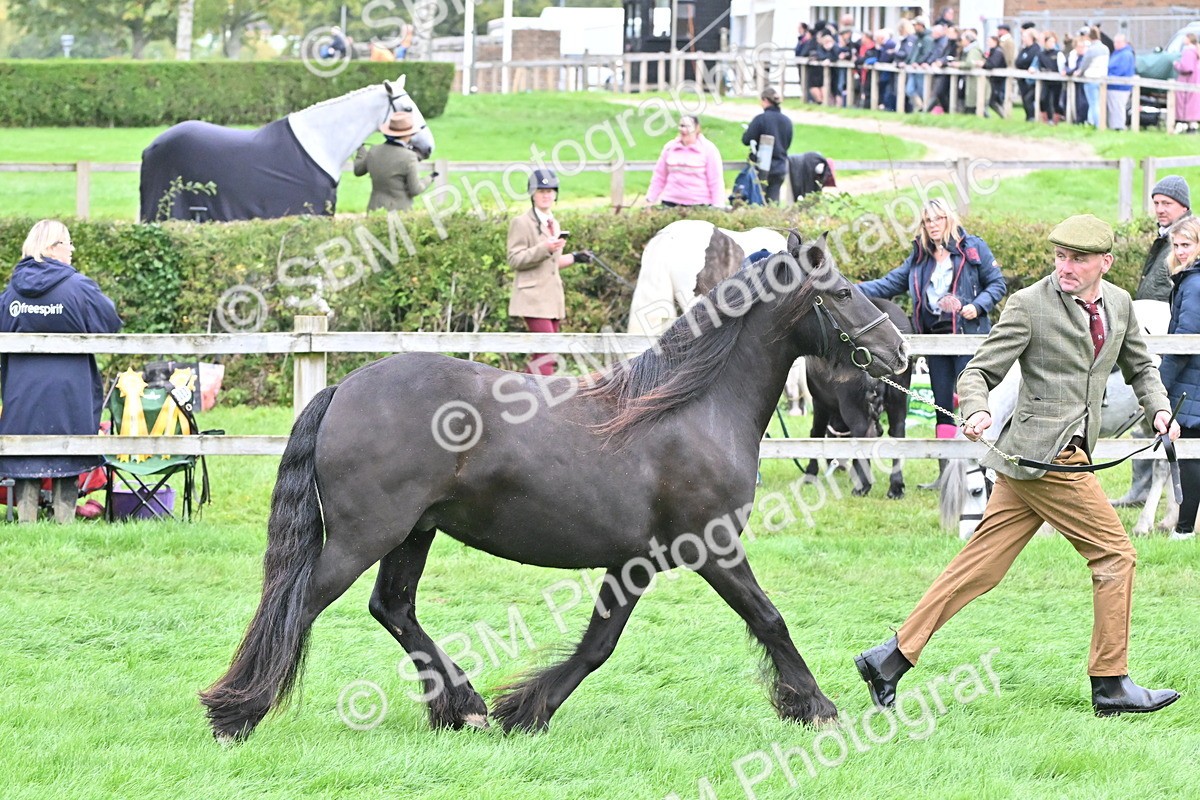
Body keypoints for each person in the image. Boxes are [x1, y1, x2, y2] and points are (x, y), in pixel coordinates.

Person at [856, 214, 1181, 718]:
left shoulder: (1118, 304)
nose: (1066, 266)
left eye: (1078, 258)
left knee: (979, 567)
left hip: (1041, 461)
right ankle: (1111, 683)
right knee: (1116, 556)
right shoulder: (1029, 305)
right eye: (1060, 256)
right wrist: (977, 408)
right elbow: (979, 371)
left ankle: (890, 658)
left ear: (1105, 263)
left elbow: (1141, 366)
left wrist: (1159, 407)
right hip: (1045, 457)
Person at [0, 220, 122, 523]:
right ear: (54, 247)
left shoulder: (12, 291)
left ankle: (27, 520)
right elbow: (110, 323)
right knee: (70, 447)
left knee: (24, 452)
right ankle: (63, 520)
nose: (72, 250)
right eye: (68, 243)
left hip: (21, 392)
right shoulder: (79, 287)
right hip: (71, 390)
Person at [858, 198, 1007, 446]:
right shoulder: (920, 256)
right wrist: (847, 289)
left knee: (970, 402)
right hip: (934, 340)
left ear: (949, 219)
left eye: (938, 219)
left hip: (967, 337)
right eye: (928, 220)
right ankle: (947, 470)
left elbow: (997, 284)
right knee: (942, 405)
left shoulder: (972, 248)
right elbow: (887, 284)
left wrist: (977, 306)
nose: (933, 225)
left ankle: (975, 472)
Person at [1114, 176, 1194, 507]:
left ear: (1184, 207)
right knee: (1144, 421)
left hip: (1167, 334)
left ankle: (1175, 501)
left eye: (1167, 203)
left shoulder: (1186, 239)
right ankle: (1141, 492)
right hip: (1151, 330)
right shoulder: (1164, 239)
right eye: (1156, 202)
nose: (1159, 209)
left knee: (1162, 417)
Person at [506, 169, 591, 375]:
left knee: (545, 354)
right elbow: (514, 259)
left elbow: (551, 264)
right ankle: (538, 398)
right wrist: (545, 248)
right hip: (532, 298)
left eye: (550, 191)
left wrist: (575, 257)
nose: (546, 195)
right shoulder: (521, 222)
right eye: (541, 191)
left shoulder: (555, 224)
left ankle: (522, 394)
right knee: (547, 354)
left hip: (552, 298)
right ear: (532, 194)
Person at [1158, 215, 1200, 540]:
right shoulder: (1189, 278)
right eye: (1176, 245)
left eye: (1186, 244)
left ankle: (1183, 530)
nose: (1180, 251)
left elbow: (1184, 340)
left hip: (1191, 381)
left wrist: (1160, 384)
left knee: (1189, 457)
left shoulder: (1195, 282)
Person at [354, 111, 432, 212]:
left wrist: (361, 149)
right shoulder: (409, 157)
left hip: (374, 210)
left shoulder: (374, 150)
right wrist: (430, 178)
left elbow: (358, 170)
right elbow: (415, 189)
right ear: (408, 134)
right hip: (400, 212)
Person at [646, 115, 724, 208]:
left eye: (687, 126)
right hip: (670, 203)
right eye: (681, 126)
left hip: (699, 205)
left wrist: (718, 205)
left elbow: (715, 180)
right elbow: (659, 176)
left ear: (697, 128)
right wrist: (650, 199)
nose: (683, 130)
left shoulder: (709, 149)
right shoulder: (669, 147)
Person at [742, 87, 793, 204]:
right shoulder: (787, 121)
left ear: (765, 100)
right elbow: (787, 143)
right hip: (780, 166)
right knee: (773, 202)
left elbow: (746, 139)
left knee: (757, 200)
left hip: (762, 167)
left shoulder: (761, 119)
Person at [1077, 27, 1110, 128]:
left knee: (1093, 103)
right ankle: (1092, 123)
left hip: (1091, 78)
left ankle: (1097, 124)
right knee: (1098, 103)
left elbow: (1084, 65)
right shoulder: (1105, 48)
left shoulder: (1091, 50)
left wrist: (1079, 72)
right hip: (1102, 79)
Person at [1106, 33, 1135, 130]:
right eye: (1115, 42)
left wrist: (1109, 76)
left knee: (1118, 108)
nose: (1115, 44)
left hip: (1120, 87)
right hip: (1113, 86)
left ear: (1124, 43)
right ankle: (1114, 127)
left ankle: (1119, 127)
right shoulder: (1117, 53)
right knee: (1113, 108)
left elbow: (1121, 70)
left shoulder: (1126, 54)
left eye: (1118, 42)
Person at [1174, 33, 1200, 134]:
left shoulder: (1188, 51)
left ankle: (1183, 124)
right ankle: (1192, 126)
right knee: (1194, 104)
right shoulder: (1196, 51)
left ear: (1189, 39)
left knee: (1185, 104)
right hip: (1195, 82)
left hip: (1187, 82)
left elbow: (1187, 68)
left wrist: (1176, 64)